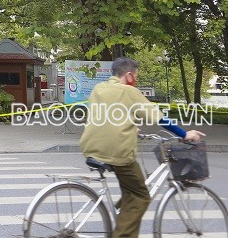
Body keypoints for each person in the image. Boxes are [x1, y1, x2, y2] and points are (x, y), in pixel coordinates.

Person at [79, 57, 205, 238]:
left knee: (131, 189)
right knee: (141, 196)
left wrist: (130, 127)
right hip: (117, 152)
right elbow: (159, 118)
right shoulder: (129, 91)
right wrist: (184, 134)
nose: (135, 80)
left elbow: (106, 115)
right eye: (136, 76)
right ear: (129, 76)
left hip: (90, 148)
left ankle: (124, 217)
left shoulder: (99, 88)